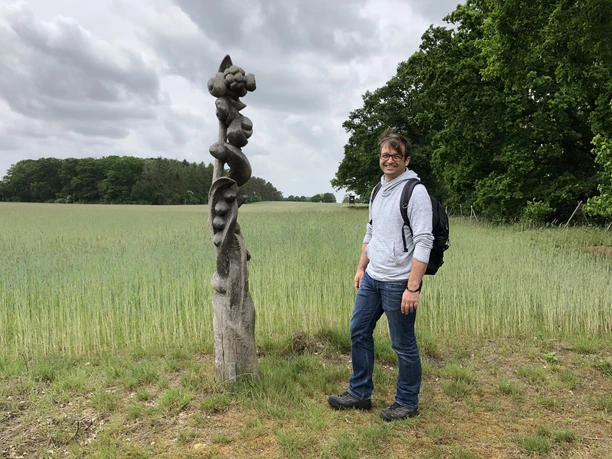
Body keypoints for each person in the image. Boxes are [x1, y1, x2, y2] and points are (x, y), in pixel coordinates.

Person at [328, 128, 434, 421]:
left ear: (406, 159)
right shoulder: (377, 189)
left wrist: (412, 287)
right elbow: (371, 231)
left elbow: (425, 240)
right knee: (358, 331)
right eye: (385, 155)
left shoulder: (415, 192)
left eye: (395, 155)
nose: (389, 160)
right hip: (373, 278)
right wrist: (361, 267)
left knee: (402, 343)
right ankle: (360, 393)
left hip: (399, 281)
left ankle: (407, 402)